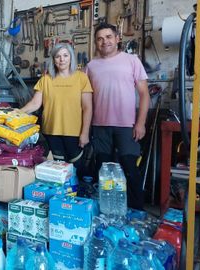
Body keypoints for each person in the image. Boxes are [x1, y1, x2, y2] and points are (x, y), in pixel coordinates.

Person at [85, 23, 150, 210]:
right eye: (100, 38)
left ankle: (137, 212)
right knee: (104, 171)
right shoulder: (91, 66)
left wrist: (141, 123)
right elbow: (84, 97)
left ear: (117, 38)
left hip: (127, 126)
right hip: (100, 127)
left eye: (108, 37)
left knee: (130, 169)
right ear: (96, 43)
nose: (104, 41)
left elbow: (145, 94)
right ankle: (108, 211)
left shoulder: (132, 61)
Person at [21, 43, 93, 172]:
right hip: (51, 132)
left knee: (76, 170)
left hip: (75, 132)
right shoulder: (46, 79)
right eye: (58, 56)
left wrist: (85, 133)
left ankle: (77, 191)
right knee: (57, 171)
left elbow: (87, 107)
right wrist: (15, 113)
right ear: (53, 59)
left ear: (71, 57)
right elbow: (35, 104)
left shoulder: (81, 78)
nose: (62, 59)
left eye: (65, 55)